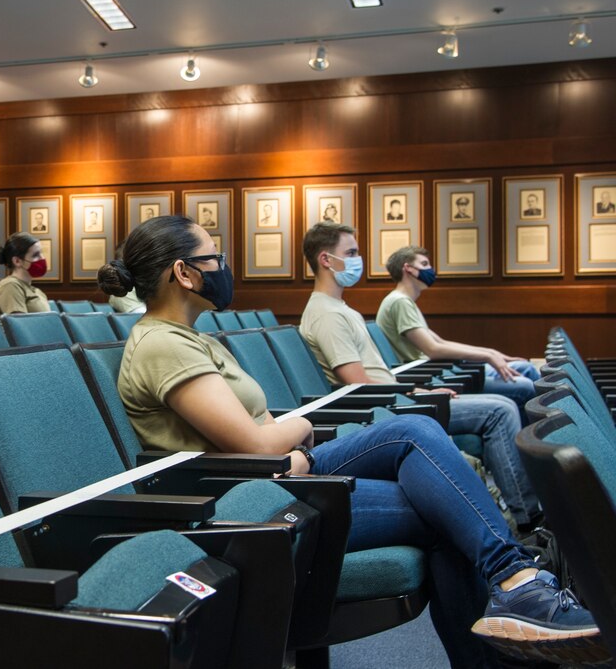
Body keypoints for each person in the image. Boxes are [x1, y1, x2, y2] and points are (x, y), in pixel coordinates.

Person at [97, 214, 600, 668]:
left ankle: (515, 593)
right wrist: (295, 434)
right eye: (214, 257)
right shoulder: (163, 346)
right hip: (247, 499)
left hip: (280, 476)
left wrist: (287, 435)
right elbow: (259, 442)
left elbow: (261, 426)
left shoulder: (195, 338)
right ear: (184, 273)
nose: (224, 267)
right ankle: (517, 587)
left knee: (434, 481)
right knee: (421, 455)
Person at [299, 223, 541, 532]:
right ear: (326, 260)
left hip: (393, 398)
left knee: (502, 404)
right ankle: (528, 519)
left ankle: (521, 515)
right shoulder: (327, 314)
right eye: (351, 253)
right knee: (500, 410)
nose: (357, 259)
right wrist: (413, 395)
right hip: (384, 409)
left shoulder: (338, 307)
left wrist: (416, 388)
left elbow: (376, 375)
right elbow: (357, 382)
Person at [377, 245, 540, 410]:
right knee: (525, 385)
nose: (431, 270)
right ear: (408, 269)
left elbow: (441, 342)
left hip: (438, 373)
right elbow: (433, 349)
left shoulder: (404, 301)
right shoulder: (400, 302)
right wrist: (487, 357)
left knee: (524, 368)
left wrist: (491, 353)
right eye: (425, 264)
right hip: (431, 377)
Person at [0, 232, 50, 315]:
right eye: (35, 255)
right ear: (17, 261)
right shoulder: (10, 286)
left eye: (41, 253)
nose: (42, 258)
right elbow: (19, 325)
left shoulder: (36, 290)